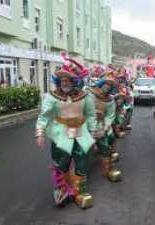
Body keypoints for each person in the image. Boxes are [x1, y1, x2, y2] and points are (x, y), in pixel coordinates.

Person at [35, 55, 97, 208]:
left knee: (82, 161)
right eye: (62, 80)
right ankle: (62, 189)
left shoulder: (85, 96)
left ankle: (78, 191)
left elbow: (91, 115)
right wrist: (40, 133)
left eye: (68, 80)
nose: (65, 83)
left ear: (75, 82)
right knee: (61, 163)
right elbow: (44, 116)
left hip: (81, 133)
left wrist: (94, 131)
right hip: (61, 135)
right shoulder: (52, 97)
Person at [88, 72, 122, 181]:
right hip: (85, 125)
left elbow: (110, 116)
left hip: (100, 126)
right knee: (79, 151)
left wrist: (105, 128)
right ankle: (78, 176)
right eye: (106, 84)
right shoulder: (89, 94)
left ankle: (108, 170)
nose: (107, 87)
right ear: (101, 84)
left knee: (105, 146)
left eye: (110, 86)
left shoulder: (110, 100)